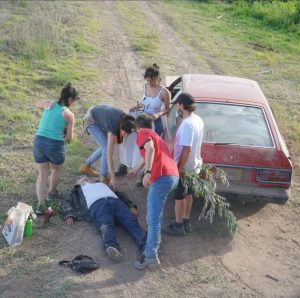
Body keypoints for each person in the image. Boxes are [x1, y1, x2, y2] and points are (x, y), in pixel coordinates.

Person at [129, 114, 179, 270]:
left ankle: (150, 255)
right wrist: (136, 169)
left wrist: (148, 172)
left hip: (162, 177)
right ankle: (152, 250)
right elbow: (148, 153)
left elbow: (149, 149)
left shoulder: (142, 133)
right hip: (172, 175)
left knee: (153, 218)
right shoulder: (154, 134)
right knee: (155, 216)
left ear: (138, 127)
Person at [61, 176, 147, 262]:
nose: (83, 177)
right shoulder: (76, 191)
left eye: (84, 175)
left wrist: (130, 205)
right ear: (76, 183)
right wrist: (68, 214)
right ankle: (111, 247)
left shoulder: (100, 183)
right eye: (79, 177)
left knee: (130, 221)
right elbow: (65, 202)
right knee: (105, 224)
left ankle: (145, 246)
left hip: (115, 202)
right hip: (97, 205)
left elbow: (120, 194)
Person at [33, 83, 79, 214]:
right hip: (54, 145)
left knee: (42, 174)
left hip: (39, 141)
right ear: (70, 99)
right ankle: (51, 193)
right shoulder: (68, 114)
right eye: (74, 100)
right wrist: (63, 132)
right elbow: (69, 138)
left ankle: (40, 206)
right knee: (57, 169)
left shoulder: (48, 103)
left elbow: (37, 104)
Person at [164, 93, 204, 236]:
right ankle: (186, 221)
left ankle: (178, 225)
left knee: (179, 196)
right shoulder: (197, 120)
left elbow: (187, 149)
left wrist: (178, 167)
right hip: (195, 165)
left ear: (181, 105)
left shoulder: (187, 125)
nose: (177, 108)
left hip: (185, 167)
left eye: (178, 105)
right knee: (188, 194)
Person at [79, 104, 134, 190]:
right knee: (105, 148)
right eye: (124, 134)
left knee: (105, 146)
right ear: (120, 128)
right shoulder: (113, 127)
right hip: (90, 121)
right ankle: (103, 177)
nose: (125, 136)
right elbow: (109, 155)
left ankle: (85, 166)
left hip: (98, 115)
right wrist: (113, 177)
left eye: (127, 134)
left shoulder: (125, 120)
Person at [130, 63, 171, 136]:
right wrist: (136, 106)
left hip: (154, 120)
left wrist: (158, 114)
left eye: (151, 80)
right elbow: (144, 103)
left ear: (156, 78)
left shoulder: (164, 92)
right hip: (142, 119)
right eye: (147, 80)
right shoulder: (145, 86)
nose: (149, 83)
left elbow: (167, 109)